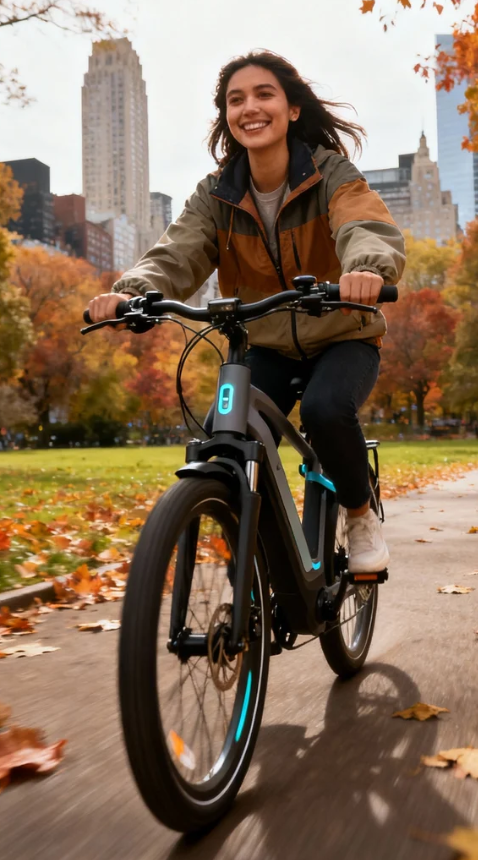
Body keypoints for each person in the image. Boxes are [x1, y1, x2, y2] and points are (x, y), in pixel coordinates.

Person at [86, 51, 405, 573]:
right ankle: (260, 552)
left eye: (263, 95)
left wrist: (367, 268)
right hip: (268, 344)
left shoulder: (329, 173)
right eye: (236, 100)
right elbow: (178, 251)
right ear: (227, 117)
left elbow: (361, 221)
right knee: (226, 436)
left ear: (292, 109)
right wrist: (134, 291)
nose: (249, 108)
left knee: (326, 410)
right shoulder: (217, 195)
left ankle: (359, 512)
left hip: (343, 331)